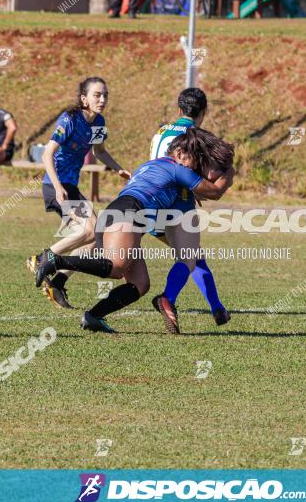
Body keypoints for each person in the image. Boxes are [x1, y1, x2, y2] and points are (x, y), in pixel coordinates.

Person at [35, 127, 235, 334]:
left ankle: (93, 316)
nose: (195, 165)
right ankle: (53, 259)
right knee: (116, 267)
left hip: (120, 213)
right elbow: (215, 191)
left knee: (140, 284)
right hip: (129, 211)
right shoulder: (177, 167)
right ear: (179, 154)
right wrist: (229, 171)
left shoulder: (151, 165)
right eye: (194, 158)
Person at [26, 77, 130, 308]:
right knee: (93, 229)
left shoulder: (98, 122)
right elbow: (47, 154)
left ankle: (58, 280)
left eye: (104, 95)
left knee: (96, 237)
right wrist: (58, 186)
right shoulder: (70, 119)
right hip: (55, 185)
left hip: (70, 186)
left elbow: (100, 152)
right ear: (84, 99)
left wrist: (119, 168)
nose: (102, 99)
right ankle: (43, 258)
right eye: (96, 95)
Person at [149, 88, 230, 334]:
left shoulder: (161, 131)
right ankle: (168, 298)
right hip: (177, 203)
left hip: (150, 201)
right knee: (189, 257)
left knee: (193, 256)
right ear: (203, 111)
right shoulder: (196, 136)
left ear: (179, 109)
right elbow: (210, 172)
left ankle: (217, 308)